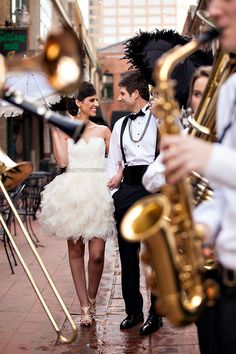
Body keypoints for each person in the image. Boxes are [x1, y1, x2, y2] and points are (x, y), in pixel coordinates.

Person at [157, 0, 236, 353]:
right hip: (225, 280)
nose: (214, 11)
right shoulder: (231, 90)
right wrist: (202, 225)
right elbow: (226, 191)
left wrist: (206, 157)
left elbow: (220, 165)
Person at [39, 81, 121, 327]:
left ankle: (93, 299)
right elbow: (63, 162)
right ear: (78, 102)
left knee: (97, 255)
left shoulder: (104, 131)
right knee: (76, 251)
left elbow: (117, 161)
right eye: (92, 100)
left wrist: (119, 175)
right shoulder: (64, 129)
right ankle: (85, 307)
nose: (96, 104)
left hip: (98, 191)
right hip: (72, 191)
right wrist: (54, 131)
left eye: (96, 100)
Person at [107, 70, 163, 336]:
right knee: (127, 255)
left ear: (136, 93)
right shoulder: (119, 125)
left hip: (154, 190)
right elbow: (113, 163)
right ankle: (133, 311)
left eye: (122, 93)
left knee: (155, 255)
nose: (119, 98)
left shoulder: (161, 119)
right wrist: (114, 194)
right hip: (127, 190)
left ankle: (157, 314)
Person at [142, 65, 212, 193]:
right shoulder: (186, 135)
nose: (202, 100)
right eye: (197, 94)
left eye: (208, 93)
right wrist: (177, 170)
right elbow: (149, 179)